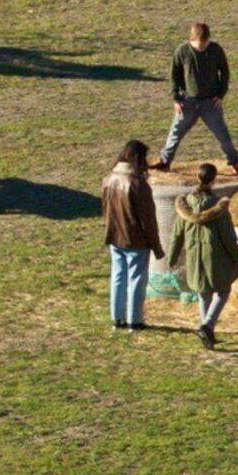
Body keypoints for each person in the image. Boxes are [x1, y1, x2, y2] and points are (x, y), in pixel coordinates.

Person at [167, 161, 238, 348]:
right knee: (223, 290)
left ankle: (206, 332)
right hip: (215, 257)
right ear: (214, 180)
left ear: (197, 178)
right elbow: (228, 238)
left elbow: (176, 235)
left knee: (203, 293)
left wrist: (172, 257)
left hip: (194, 255)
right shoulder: (218, 207)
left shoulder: (185, 207)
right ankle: (207, 326)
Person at [159, 21, 238, 170]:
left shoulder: (216, 50)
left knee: (223, 135)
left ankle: (235, 162)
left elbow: (225, 73)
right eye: (198, 44)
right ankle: (165, 162)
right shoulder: (182, 51)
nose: (202, 47)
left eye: (204, 43)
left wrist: (221, 94)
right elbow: (174, 76)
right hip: (188, 102)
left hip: (210, 103)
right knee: (175, 134)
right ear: (191, 39)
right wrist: (176, 98)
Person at [98, 139, 158, 331]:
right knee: (136, 280)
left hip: (115, 236)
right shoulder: (138, 184)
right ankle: (135, 320)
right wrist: (156, 244)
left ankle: (118, 318)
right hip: (136, 238)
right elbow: (148, 219)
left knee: (118, 277)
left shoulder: (108, 179)